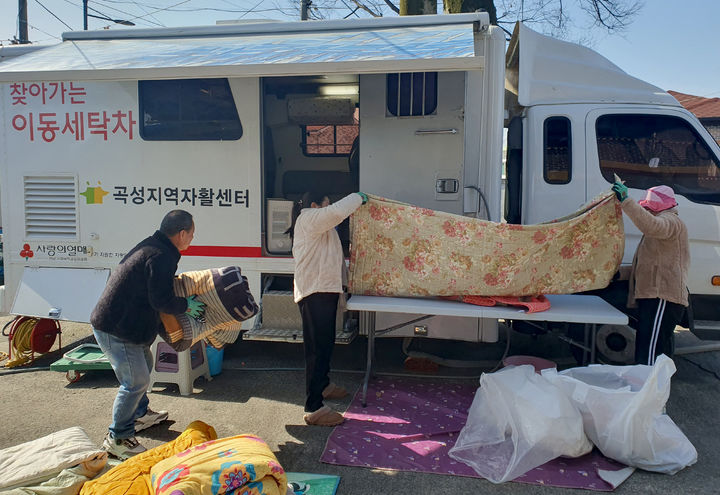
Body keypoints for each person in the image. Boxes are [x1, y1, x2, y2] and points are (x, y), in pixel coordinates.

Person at [90, 210, 206, 459]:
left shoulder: (156, 246)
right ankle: (117, 437)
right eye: (192, 235)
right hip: (115, 327)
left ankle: (140, 414)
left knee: (146, 364)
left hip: (128, 324)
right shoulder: (161, 255)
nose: (192, 240)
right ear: (182, 233)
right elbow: (162, 300)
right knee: (135, 381)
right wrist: (186, 306)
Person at [288, 190, 367, 426]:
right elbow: (335, 213)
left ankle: (323, 386)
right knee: (317, 350)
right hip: (315, 292)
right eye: (326, 202)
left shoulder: (316, 222)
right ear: (314, 204)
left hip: (324, 290)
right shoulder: (309, 217)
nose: (329, 206)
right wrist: (356, 197)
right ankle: (314, 408)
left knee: (326, 344)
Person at [612, 182, 690, 365]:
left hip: (663, 297)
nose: (646, 211)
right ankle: (651, 390)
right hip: (656, 297)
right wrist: (619, 274)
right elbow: (647, 266)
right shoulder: (664, 226)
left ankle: (649, 391)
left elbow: (652, 225)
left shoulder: (671, 221)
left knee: (650, 353)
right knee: (649, 349)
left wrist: (626, 201)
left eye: (648, 207)